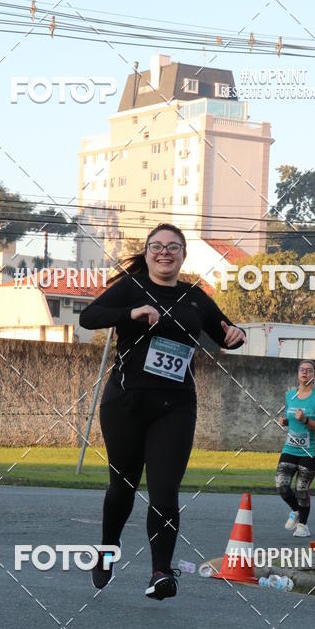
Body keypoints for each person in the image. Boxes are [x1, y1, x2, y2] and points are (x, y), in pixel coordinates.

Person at [79, 223, 246, 599]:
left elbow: (226, 333)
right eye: (157, 246)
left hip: (175, 406)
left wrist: (237, 336)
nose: (165, 252)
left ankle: (160, 573)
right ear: (148, 252)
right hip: (126, 402)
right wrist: (131, 312)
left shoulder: (194, 297)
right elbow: (88, 317)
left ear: (183, 254)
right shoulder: (133, 287)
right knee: (122, 486)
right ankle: (107, 550)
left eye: (174, 247)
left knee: (165, 492)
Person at [276, 360, 315, 537]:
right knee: (281, 485)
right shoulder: (290, 395)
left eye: (309, 370)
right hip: (290, 448)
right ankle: (297, 511)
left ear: (314, 374)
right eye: (302, 370)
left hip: (311, 451)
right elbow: (292, 418)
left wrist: (306, 420)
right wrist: (285, 421)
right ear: (298, 373)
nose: (305, 373)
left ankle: (303, 526)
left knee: (301, 489)